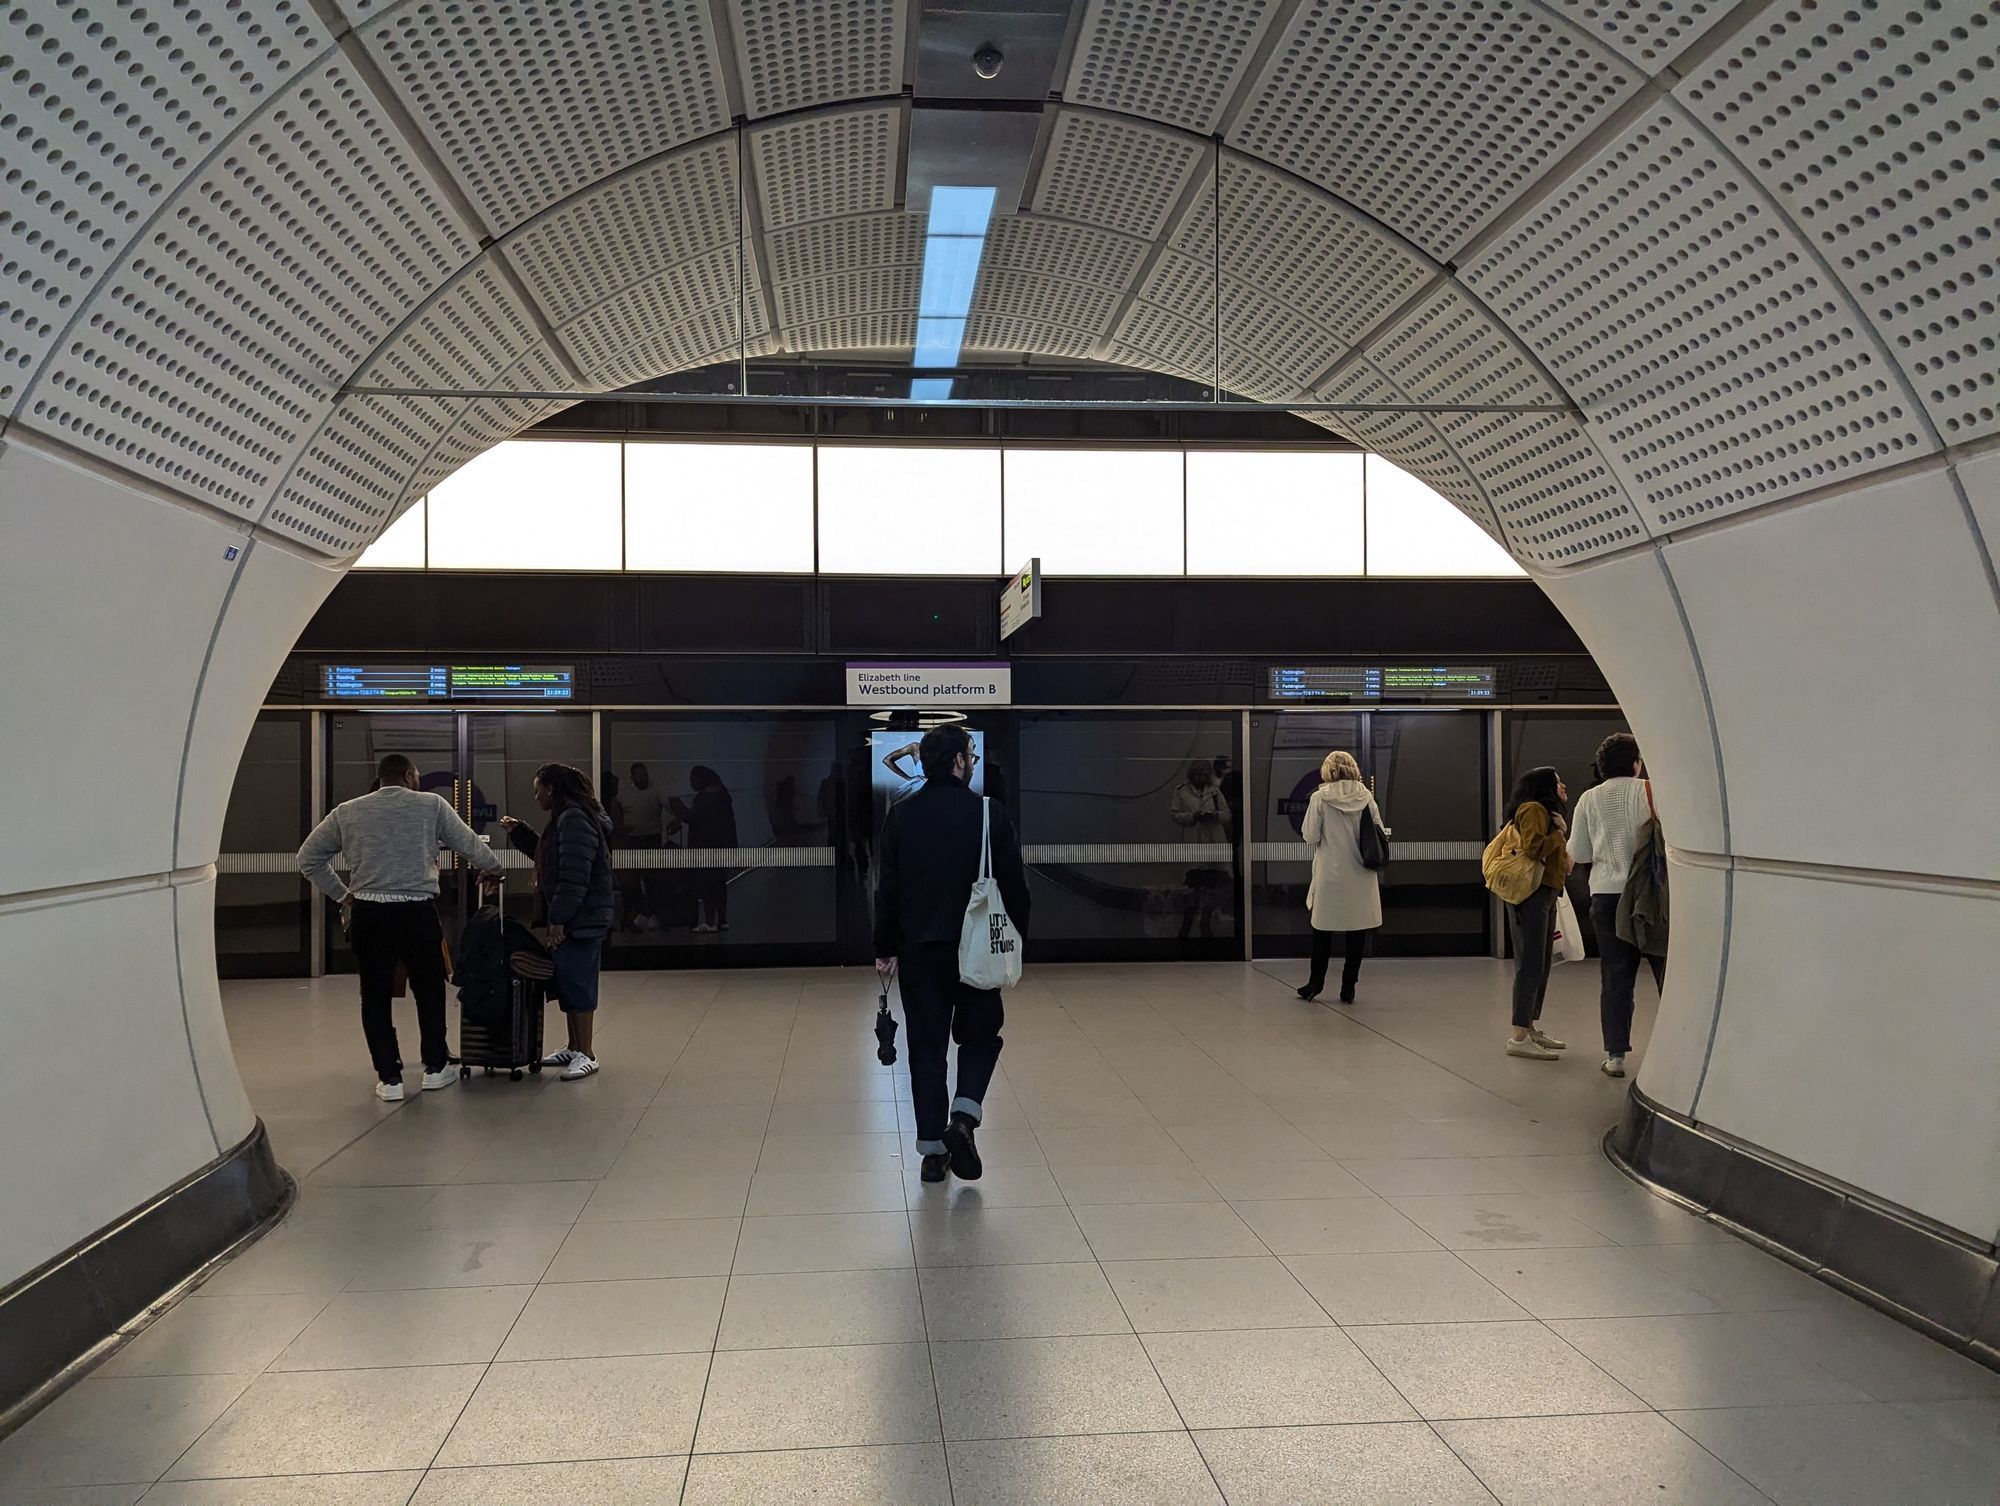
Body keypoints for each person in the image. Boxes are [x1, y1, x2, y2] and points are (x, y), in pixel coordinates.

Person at [297, 753, 503, 1101]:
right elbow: (468, 843)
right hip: (416, 911)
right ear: (408, 775)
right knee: (430, 989)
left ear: (381, 777)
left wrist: (344, 896)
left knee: (374, 995)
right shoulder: (431, 805)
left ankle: (390, 1078)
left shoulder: (347, 811)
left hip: (368, 913)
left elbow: (308, 859)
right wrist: (493, 868)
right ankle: (436, 1068)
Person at [874, 725, 1030, 1184]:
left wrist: (884, 947)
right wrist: (1017, 940)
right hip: (977, 950)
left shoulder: (901, 815)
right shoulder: (988, 814)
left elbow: (889, 890)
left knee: (926, 1047)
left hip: (920, 950)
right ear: (959, 761)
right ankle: (962, 1120)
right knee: (981, 1036)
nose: (973, 763)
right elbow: (1014, 888)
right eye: (972, 756)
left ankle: (932, 1154)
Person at [502, 763, 614, 1080]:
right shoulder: (569, 816)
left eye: (537, 789)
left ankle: (586, 1053)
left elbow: (573, 876)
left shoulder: (575, 818)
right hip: (580, 913)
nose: (535, 795)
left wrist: (559, 919)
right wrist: (520, 833)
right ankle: (574, 1046)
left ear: (551, 789)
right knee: (568, 978)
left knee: (579, 982)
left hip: (582, 916)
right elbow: (549, 855)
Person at [1568, 733, 1666, 1079]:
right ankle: (1674, 1049)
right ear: (1636, 763)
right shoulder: (1653, 792)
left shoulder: (1588, 799)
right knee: (1665, 971)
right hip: (1649, 896)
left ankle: (1615, 1056)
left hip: (1607, 898)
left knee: (1616, 976)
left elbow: (1578, 853)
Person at [1297, 751, 1387, 1004]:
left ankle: (1315, 984)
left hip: (1330, 872)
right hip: (1360, 873)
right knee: (1356, 931)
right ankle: (1349, 987)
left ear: (1328, 771)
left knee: (1322, 930)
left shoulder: (1319, 798)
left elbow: (1310, 836)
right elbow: (1379, 829)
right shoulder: (1365, 796)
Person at [1503, 765, 1573, 1060]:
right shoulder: (1533, 809)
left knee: (1542, 961)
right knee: (1531, 962)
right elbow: (1533, 849)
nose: (1563, 786)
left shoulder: (1546, 814)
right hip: (1531, 895)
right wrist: (1559, 832)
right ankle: (1519, 1034)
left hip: (1545, 892)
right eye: (1557, 781)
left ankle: (1529, 1025)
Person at [1170, 759, 1232, 939]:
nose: (1200, 778)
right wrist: (1193, 816)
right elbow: (1175, 815)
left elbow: (1227, 815)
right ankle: (1186, 928)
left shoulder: (1214, 792)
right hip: (1194, 844)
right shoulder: (1181, 791)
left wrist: (1214, 816)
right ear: (1191, 775)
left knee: (1213, 888)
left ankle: (1205, 924)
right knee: (1193, 889)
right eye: (1197, 775)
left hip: (1213, 844)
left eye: (1204, 775)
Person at [673, 765, 737, 933]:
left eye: (693, 779)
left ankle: (709, 923)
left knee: (708, 886)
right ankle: (722, 920)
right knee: (720, 885)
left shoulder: (703, 798)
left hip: (705, 847)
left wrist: (677, 806)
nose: (691, 783)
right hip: (722, 847)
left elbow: (693, 819)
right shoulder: (724, 795)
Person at [622, 762, 669, 932]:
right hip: (633, 840)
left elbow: (669, 806)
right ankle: (639, 914)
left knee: (653, 879)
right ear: (632, 777)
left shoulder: (657, 790)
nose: (643, 778)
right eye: (639, 775)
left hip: (651, 839)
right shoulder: (625, 794)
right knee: (633, 880)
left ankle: (654, 914)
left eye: (645, 774)